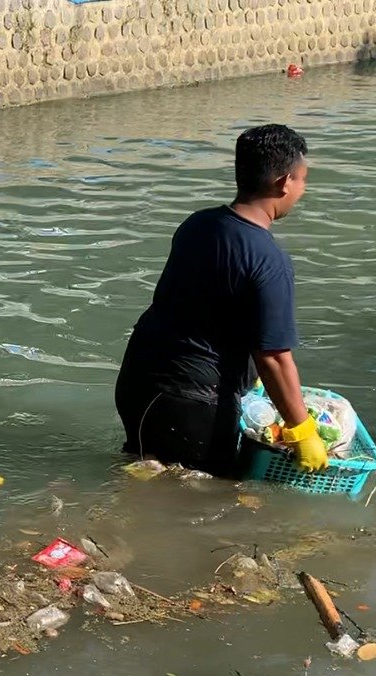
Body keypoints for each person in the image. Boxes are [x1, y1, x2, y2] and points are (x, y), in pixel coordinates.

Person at [114, 123, 328, 477]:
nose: (302, 189)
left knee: (148, 474)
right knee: (202, 506)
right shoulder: (268, 259)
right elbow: (273, 356)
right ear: (283, 182)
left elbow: (204, 308)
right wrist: (302, 430)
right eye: (303, 180)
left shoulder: (198, 224)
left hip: (138, 383)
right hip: (192, 404)